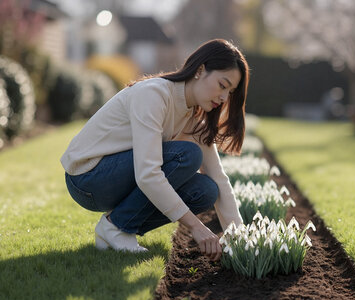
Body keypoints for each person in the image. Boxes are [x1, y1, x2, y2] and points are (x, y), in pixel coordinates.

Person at [60, 39, 248, 261]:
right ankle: (117, 227)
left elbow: (218, 177)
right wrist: (196, 227)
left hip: (115, 178)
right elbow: (148, 174)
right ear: (200, 70)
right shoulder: (154, 94)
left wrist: (240, 239)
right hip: (87, 178)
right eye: (222, 85)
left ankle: (115, 229)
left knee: (206, 190)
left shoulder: (194, 115)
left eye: (230, 92)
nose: (225, 98)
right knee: (187, 155)